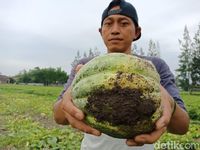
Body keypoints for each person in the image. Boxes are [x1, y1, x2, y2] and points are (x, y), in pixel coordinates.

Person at [53, 0, 190, 149]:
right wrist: (72, 90)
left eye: (124, 23)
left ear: (137, 31)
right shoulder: (85, 66)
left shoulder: (155, 66)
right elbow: (59, 117)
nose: (115, 30)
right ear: (101, 32)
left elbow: (182, 127)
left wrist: (171, 103)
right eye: (108, 24)